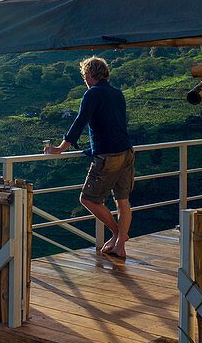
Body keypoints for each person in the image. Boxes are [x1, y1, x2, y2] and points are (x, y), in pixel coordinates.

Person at [43, 56, 135, 259]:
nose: (84, 79)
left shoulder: (92, 94)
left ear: (90, 74)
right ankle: (120, 246)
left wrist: (60, 148)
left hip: (108, 156)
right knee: (123, 201)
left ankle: (119, 233)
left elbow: (80, 121)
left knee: (88, 199)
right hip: (126, 152)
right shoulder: (117, 93)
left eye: (85, 75)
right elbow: (113, 124)